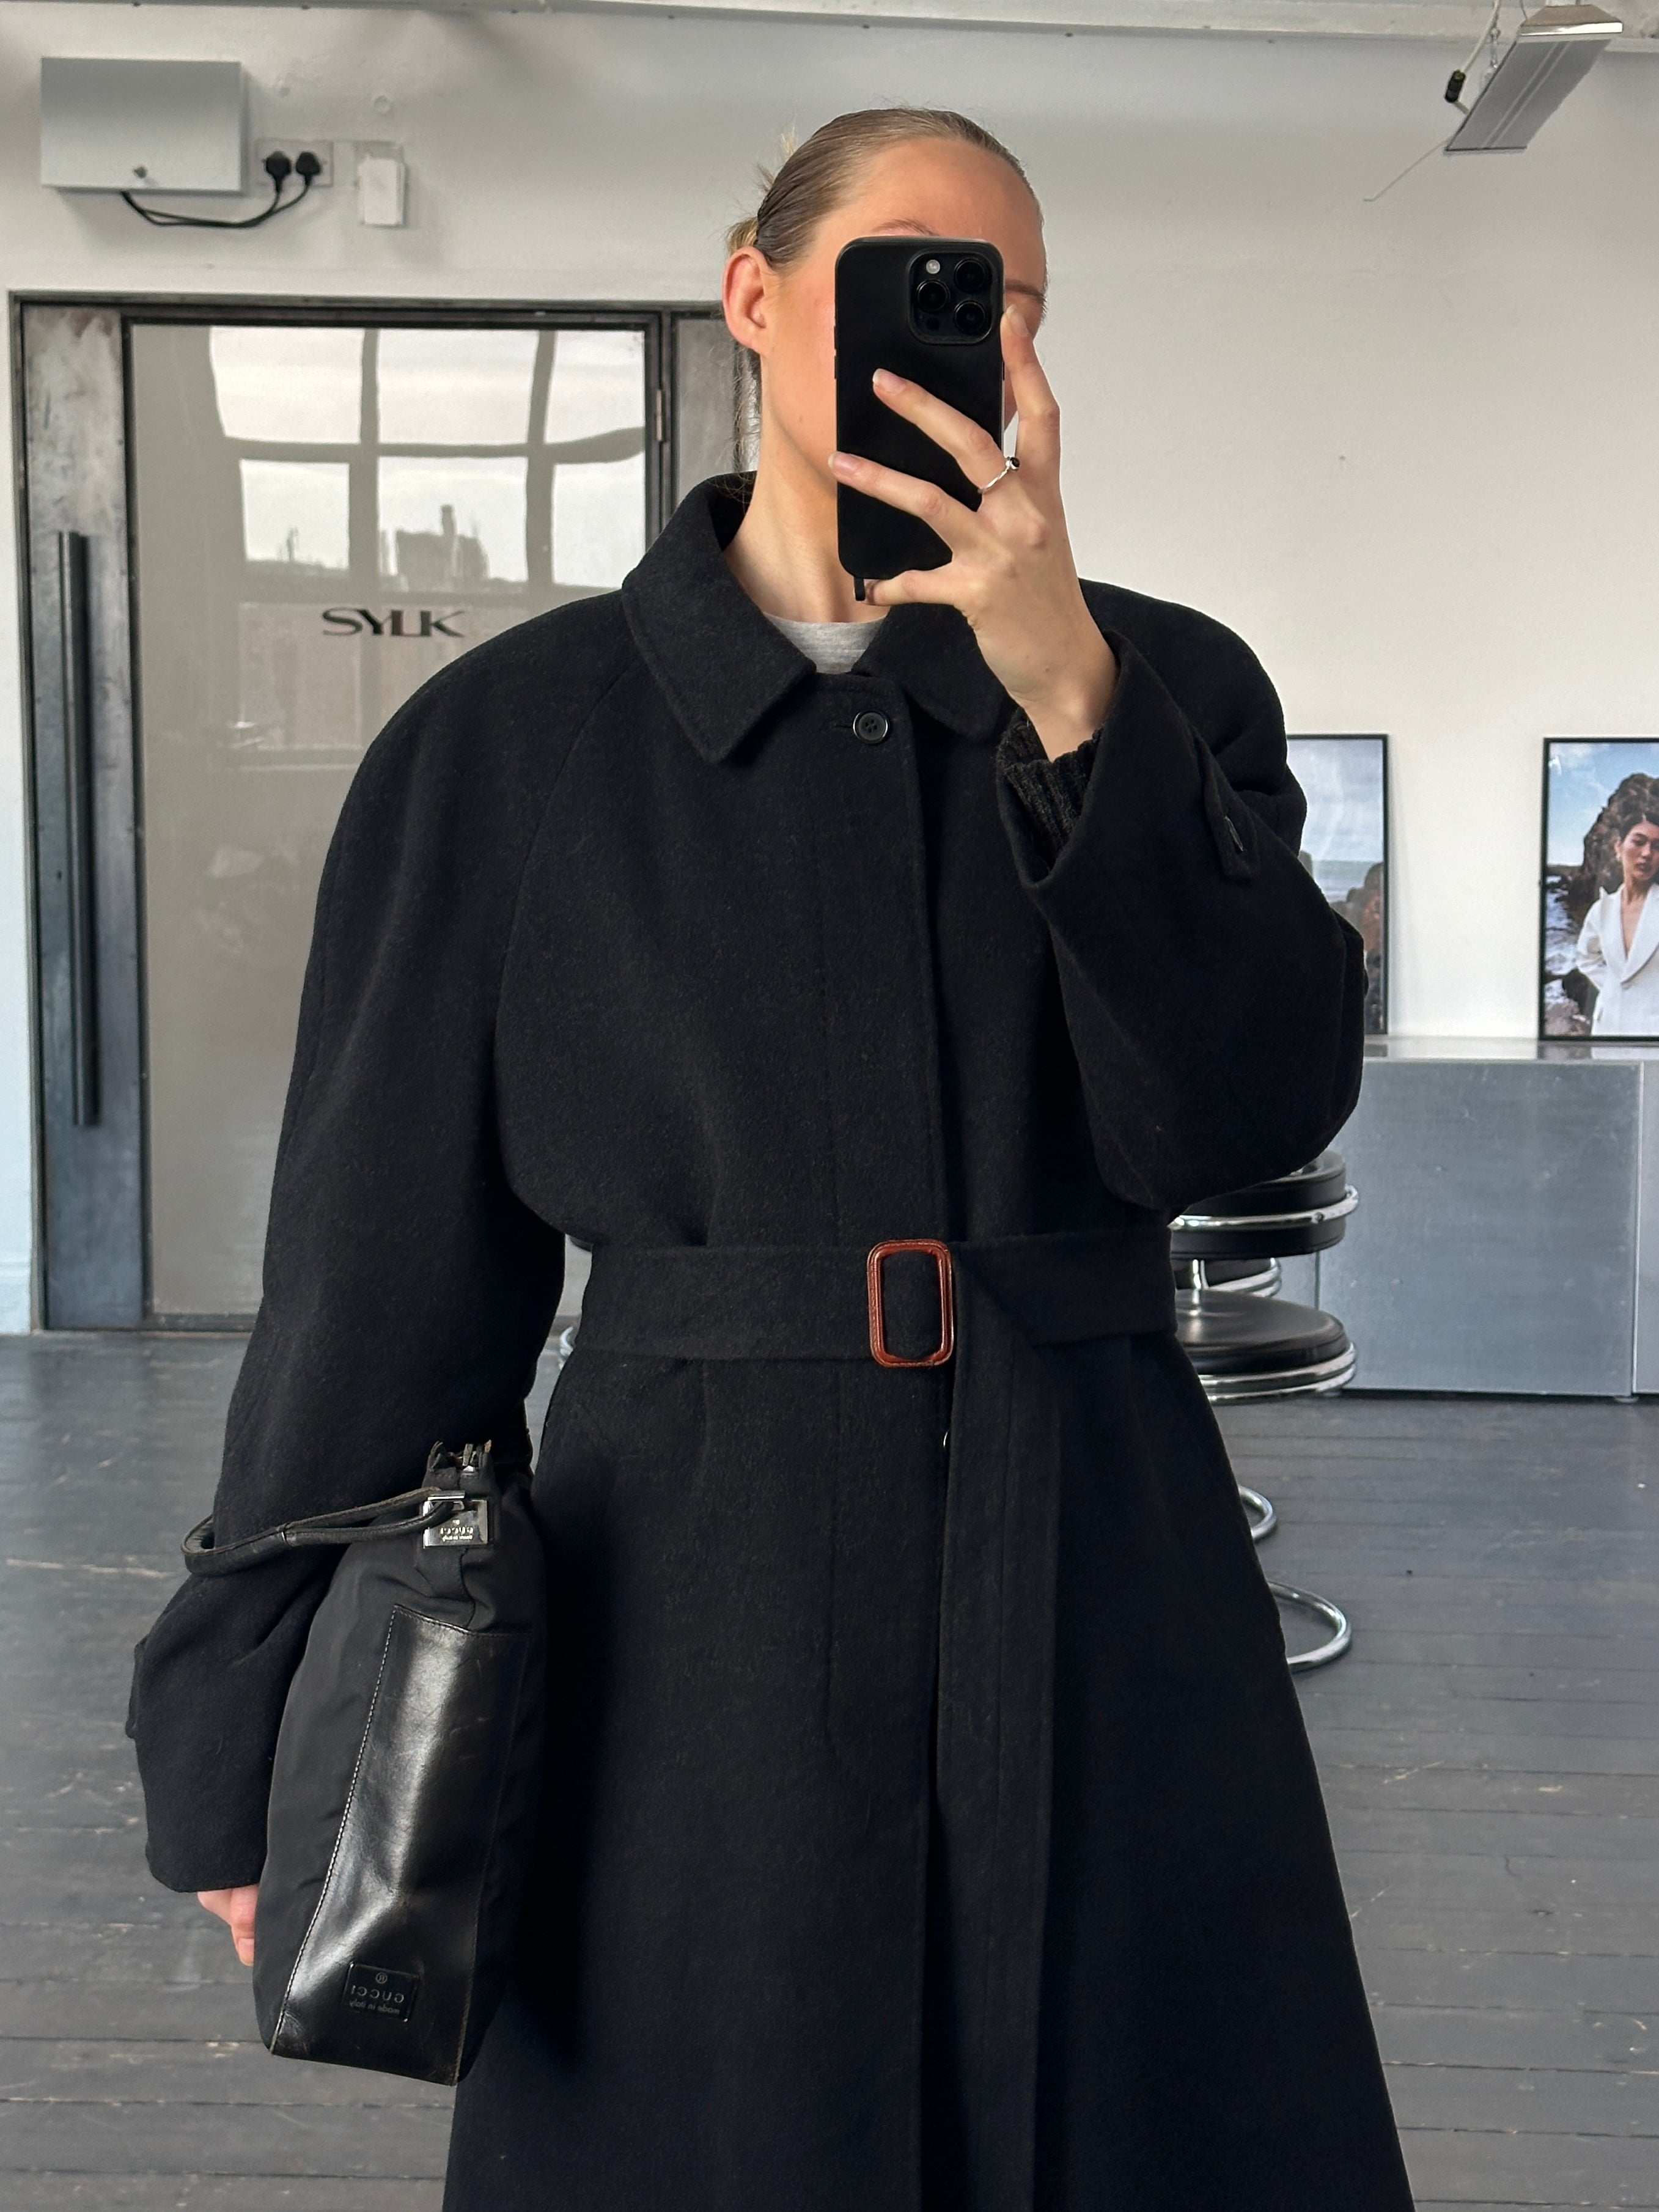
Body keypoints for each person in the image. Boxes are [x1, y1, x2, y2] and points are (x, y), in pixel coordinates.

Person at [127, 108, 1412, 2212]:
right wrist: (243, 1727)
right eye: (905, 279)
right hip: (679, 1616)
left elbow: (1243, 1113)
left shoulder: (1162, 686)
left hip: (1100, 1576)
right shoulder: (506, 747)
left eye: (1001, 300)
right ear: (752, 294)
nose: (958, 336)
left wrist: (1065, 690)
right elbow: (374, 1277)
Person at [1576, 803, 1659, 1035]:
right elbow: (1586, 957)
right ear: (1619, 847)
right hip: (1608, 1028)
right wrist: (1612, 987)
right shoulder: (1602, 909)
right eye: (1639, 842)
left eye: (1657, 846)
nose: (1647, 853)